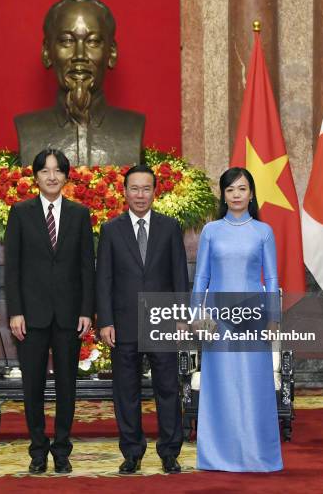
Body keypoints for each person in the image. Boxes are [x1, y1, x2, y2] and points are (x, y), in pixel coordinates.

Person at [4, 149, 95, 474]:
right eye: (45, 171)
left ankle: (62, 450)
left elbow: (87, 266)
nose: (52, 176)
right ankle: (38, 450)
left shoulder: (79, 214)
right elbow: (12, 268)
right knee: (33, 387)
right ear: (36, 176)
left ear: (67, 176)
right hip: (31, 316)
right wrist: (15, 311)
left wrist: (87, 310)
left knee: (67, 386)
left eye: (58, 171)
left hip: (70, 315)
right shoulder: (20, 212)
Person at [96, 164, 188, 474]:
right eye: (134, 188)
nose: (139, 194)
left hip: (163, 320)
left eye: (145, 188)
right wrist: (105, 321)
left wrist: (180, 316)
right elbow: (103, 279)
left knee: (167, 388)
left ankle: (170, 451)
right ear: (124, 192)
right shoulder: (110, 230)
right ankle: (132, 452)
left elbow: (179, 276)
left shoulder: (170, 227)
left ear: (154, 191)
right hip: (124, 323)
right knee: (126, 390)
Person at [193, 167, 282, 472]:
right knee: (221, 386)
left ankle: (257, 454)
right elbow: (201, 277)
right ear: (224, 195)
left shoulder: (263, 231)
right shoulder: (211, 231)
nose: (236, 195)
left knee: (253, 385)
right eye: (230, 190)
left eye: (242, 189)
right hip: (218, 321)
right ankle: (218, 455)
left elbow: (271, 278)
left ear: (252, 193)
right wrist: (197, 315)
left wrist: (272, 317)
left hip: (253, 318)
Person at [15, 0, 144, 167]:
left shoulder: (132, 127)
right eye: (67, 41)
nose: (80, 55)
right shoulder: (28, 129)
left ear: (111, 53)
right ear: (47, 52)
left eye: (93, 41)